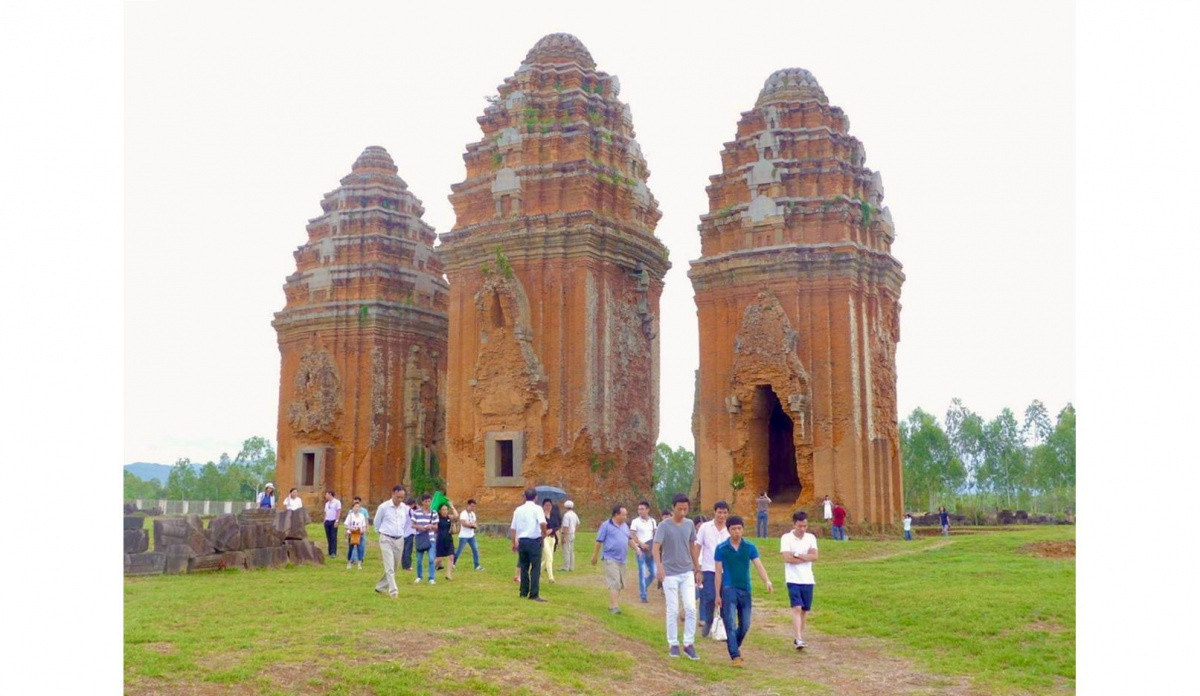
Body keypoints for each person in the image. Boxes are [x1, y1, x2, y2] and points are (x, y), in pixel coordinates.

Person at [714, 515, 774, 667]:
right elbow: (718, 573)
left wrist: (767, 580)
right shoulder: (721, 548)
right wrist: (717, 595)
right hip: (728, 589)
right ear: (728, 530)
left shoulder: (749, 547)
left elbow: (758, 565)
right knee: (729, 622)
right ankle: (735, 655)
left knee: (745, 624)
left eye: (739, 528)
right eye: (733, 529)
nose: (737, 532)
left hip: (745, 589)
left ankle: (733, 643)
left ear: (743, 529)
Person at [653, 493, 701, 660]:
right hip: (669, 573)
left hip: (686, 571)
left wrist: (697, 569)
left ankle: (688, 643)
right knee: (672, 609)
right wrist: (659, 568)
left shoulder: (689, 524)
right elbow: (656, 547)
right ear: (673, 508)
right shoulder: (664, 526)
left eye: (685, 509)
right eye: (679, 509)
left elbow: (692, 546)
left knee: (690, 608)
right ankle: (673, 643)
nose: (682, 512)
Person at [780, 510, 818, 650]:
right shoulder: (786, 538)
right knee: (796, 607)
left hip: (808, 579)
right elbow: (787, 558)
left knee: (805, 610)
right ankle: (798, 638)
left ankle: (800, 636)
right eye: (800, 526)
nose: (802, 529)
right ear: (794, 525)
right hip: (793, 578)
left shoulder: (811, 538)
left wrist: (797, 555)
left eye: (805, 526)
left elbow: (815, 556)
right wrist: (804, 556)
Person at [694, 501, 730, 637]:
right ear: (714, 512)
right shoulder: (705, 527)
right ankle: (708, 622)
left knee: (726, 598)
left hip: (726, 570)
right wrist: (697, 568)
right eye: (719, 512)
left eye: (725, 512)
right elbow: (697, 546)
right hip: (709, 568)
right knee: (709, 597)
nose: (722, 515)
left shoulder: (730, 528)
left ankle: (725, 627)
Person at [592, 504, 636, 614]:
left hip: (622, 559)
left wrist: (637, 549)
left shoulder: (625, 526)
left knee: (620, 583)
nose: (626, 517)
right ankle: (615, 607)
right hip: (610, 558)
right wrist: (595, 555)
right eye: (623, 515)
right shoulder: (606, 525)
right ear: (616, 515)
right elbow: (599, 541)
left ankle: (612, 604)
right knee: (614, 581)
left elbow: (629, 539)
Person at [511, 488, 548, 601]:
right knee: (535, 567)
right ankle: (534, 594)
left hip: (522, 541)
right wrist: (544, 533)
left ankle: (523, 591)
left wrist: (514, 542)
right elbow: (542, 522)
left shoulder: (518, 509)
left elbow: (513, 528)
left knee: (524, 567)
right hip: (534, 540)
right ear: (536, 497)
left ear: (525, 497)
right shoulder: (537, 509)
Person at [372, 485, 408, 598]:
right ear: (393, 494)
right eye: (398, 497)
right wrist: (381, 533)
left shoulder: (404, 508)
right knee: (389, 566)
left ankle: (380, 586)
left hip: (399, 539)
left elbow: (406, 522)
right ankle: (393, 591)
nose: (400, 500)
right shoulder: (384, 507)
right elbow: (377, 522)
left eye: (402, 497)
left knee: (395, 566)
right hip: (386, 538)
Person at [630, 501, 658, 603]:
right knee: (642, 571)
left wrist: (653, 546)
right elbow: (632, 534)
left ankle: (644, 586)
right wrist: (641, 544)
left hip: (650, 549)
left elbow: (655, 534)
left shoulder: (653, 521)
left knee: (653, 572)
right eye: (639, 509)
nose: (640, 511)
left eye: (642, 509)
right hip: (640, 549)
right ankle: (643, 595)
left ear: (647, 509)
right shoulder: (635, 521)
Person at [410, 494, 437, 584]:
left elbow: (436, 527)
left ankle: (431, 578)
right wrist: (420, 527)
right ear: (422, 502)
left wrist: (431, 526)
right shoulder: (417, 512)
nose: (428, 503)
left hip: (431, 538)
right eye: (426, 501)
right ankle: (419, 576)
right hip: (420, 538)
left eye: (429, 501)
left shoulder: (434, 513)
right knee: (419, 560)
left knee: (431, 559)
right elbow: (412, 524)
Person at [454, 499, 483, 571]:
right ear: (468, 505)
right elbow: (463, 523)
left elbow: (475, 523)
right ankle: (453, 563)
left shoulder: (473, 514)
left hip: (471, 535)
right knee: (459, 550)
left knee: (475, 549)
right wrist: (471, 525)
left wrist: (475, 525)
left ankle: (477, 565)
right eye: (472, 506)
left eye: (474, 507)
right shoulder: (463, 513)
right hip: (464, 536)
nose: (473, 508)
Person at [435, 501, 457, 580]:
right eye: (443, 510)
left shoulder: (449, 517)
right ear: (440, 511)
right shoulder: (437, 518)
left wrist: (452, 507)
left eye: (446, 509)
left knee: (451, 557)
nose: (445, 511)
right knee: (439, 559)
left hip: (449, 540)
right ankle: (431, 571)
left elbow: (456, 516)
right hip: (440, 540)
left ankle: (448, 575)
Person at [541, 498, 561, 583]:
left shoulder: (553, 516)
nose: (548, 507)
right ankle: (551, 577)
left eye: (549, 505)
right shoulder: (541, 516)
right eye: (546, 505)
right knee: (549, 557)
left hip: (552, 539)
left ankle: (536, 573)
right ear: (543, 506)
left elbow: (557, 527)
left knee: (547, 559)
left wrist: (558, 538)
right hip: (544, 538)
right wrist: (545, 531)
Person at [344, 497, 368, 569]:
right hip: (352, 533)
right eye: (355, 507)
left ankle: (359, 563)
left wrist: (363, 530)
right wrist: (350, 529)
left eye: (358, 507)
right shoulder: (350, 515)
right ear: (353, 508)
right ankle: (349, 562)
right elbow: (346, 525)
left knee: (360, 549)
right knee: (351, 548)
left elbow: (363, 525)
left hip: (359, 534)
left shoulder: (362, 516)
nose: (357, 508)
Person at [560, 500, 580, 571]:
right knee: (571, 550)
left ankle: (566, 566)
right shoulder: (574, 514)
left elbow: (565, 527)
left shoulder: (566, 515)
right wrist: (574, 530)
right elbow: (578, 523)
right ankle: (571, 566)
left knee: (566, 550)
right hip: (572, 534)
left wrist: (564, 537)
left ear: (565, 507)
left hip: (567, 534)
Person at [323, 490, 342, 559]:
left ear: (330, 494)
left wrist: (337, 521)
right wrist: (324, 520)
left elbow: (338, 512)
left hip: (333, 521)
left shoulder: (337, 502)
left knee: (333, 536)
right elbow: (325, 512)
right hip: (327, 521)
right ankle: (329, 551)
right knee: (328, 537)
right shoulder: (327, 503)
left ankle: (333, 552)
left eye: (326, 494)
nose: (326, 496)